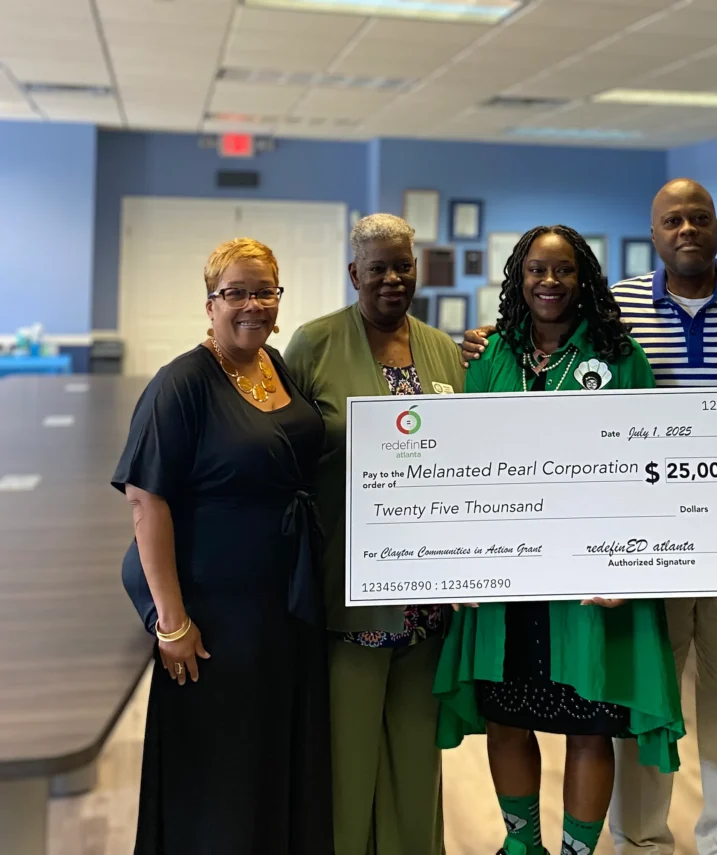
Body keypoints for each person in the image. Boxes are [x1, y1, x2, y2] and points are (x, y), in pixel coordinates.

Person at [462, 180, 717, 855]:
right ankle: (637, 837)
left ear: (716, 225)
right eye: (672, 219)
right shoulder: (606, 313)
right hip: (591, 558)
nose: (686, 228)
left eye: (699, 218)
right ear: (653, 232)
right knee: (634, 690)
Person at [434, 225, 685, 855]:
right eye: (537, 271)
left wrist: (628, 565)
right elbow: (462, 463)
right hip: (506, 576)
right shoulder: (491, 355)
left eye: (564, 271)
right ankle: (522, 844)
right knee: (507, 716)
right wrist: (458, 558)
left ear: (584, 279)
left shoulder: (620, 355)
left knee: (587, 725)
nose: (550, 283)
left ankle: (576, 851)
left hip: (588, 580)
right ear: (519, 279)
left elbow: (647, 464)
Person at [111, 238, 333, 854]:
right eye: (236, 292)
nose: (252, 304)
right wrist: (172, 623)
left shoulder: (275, 364)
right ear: (210, 303)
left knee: (272, 757)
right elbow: (145, 501)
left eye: (265, 291)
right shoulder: (180, 383)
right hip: (216, 618)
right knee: (220, 770)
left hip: (283, 605)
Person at [284, 213, 465, 855]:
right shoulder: (314, 344)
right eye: (379, 268)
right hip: (349, 594)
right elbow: (285, 458)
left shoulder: (443, 350)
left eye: (404, 266)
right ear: (354, 273)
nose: (393, 278)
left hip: (428, 598)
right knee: (347, 763)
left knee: (418, 761)